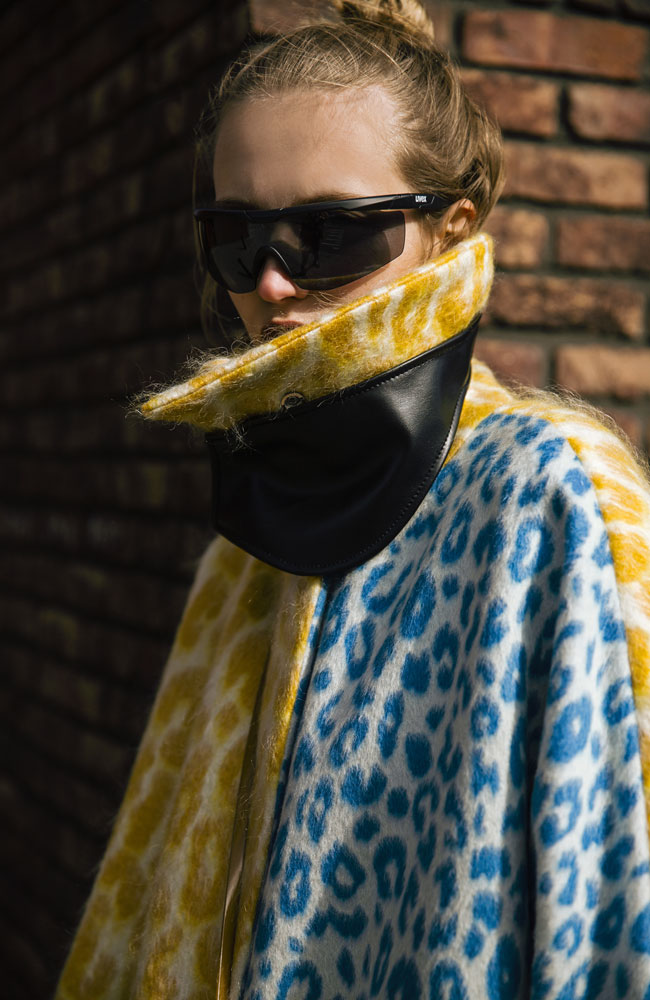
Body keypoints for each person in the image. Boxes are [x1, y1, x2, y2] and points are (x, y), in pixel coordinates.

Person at [56, 2, 650, 998]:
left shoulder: (546, 494)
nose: (274, 284)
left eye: (329, 232)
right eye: (236, 240)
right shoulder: (252, 534)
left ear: (448, 231)